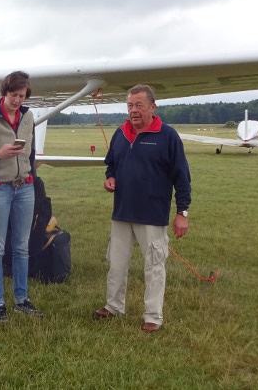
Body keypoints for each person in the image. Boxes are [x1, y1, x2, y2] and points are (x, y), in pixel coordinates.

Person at [93, 84, 191, 333]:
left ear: (152, 107)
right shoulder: (120, 133)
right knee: (116, 264)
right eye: (130, 105)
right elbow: (111, 165)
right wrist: (109, 177)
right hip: (122, 213)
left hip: (152, 215)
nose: (133, 110)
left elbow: (182, 177)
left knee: (154, 266)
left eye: (139, 105)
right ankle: (113, 306)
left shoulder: (167, 136)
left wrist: (182, 213)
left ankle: (153, 316)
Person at [0, 70, 44, 323]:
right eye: (14, 95)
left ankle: (22, 300)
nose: (17, 100)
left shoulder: (28, 116)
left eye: (22, 96)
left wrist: (32, 178)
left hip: (25, 187)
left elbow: (31, 153)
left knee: (22, 246)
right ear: (4, 92)